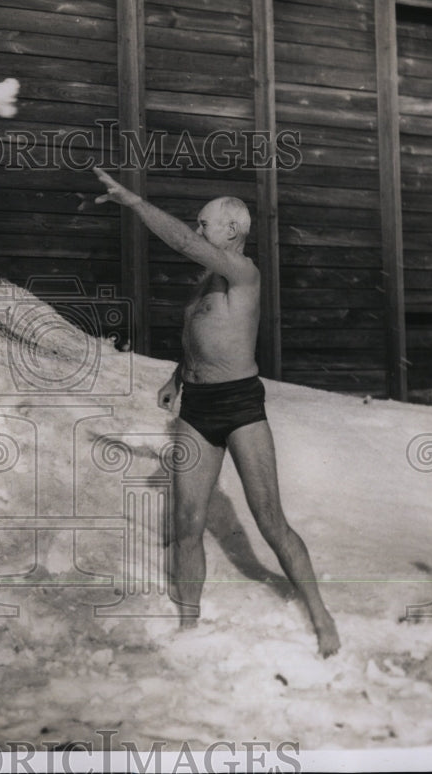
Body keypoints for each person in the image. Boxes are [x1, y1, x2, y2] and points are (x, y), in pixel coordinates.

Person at [93, 167, 340, 657]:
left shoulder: (243, 274)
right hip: (198, 406)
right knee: (187, 520)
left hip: (240, 404)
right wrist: (178, 376)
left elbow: (183, 242)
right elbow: (201, 338)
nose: (198, 229)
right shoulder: (207, 282)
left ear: (231, 229)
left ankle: (320, 615)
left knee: (270, 520)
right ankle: (189, 624)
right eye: (199, 223)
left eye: (205, 223)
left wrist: (136, 203)